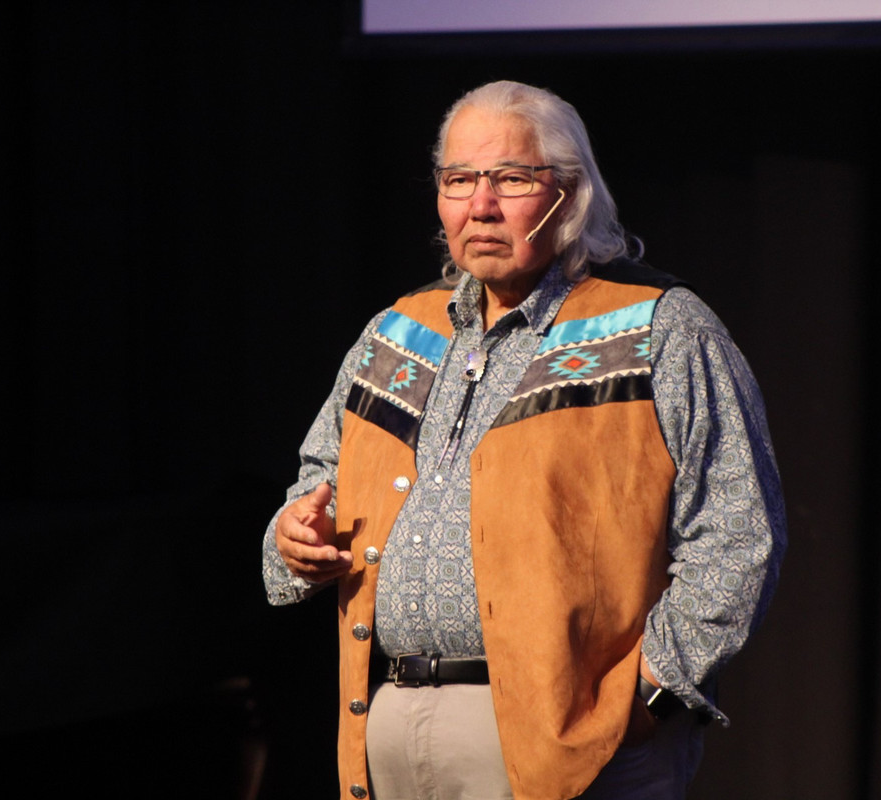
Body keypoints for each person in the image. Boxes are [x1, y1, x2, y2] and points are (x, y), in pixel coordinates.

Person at [263, 80, 786, 800]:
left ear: (569, 194)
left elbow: (737, 530)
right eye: (459, 180)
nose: (481, 204)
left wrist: (654, 689)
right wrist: (294, 537)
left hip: (576, 739)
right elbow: (311, 489)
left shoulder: (658, 328)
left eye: (511, 179)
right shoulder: (397, 333)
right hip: (391, 720)